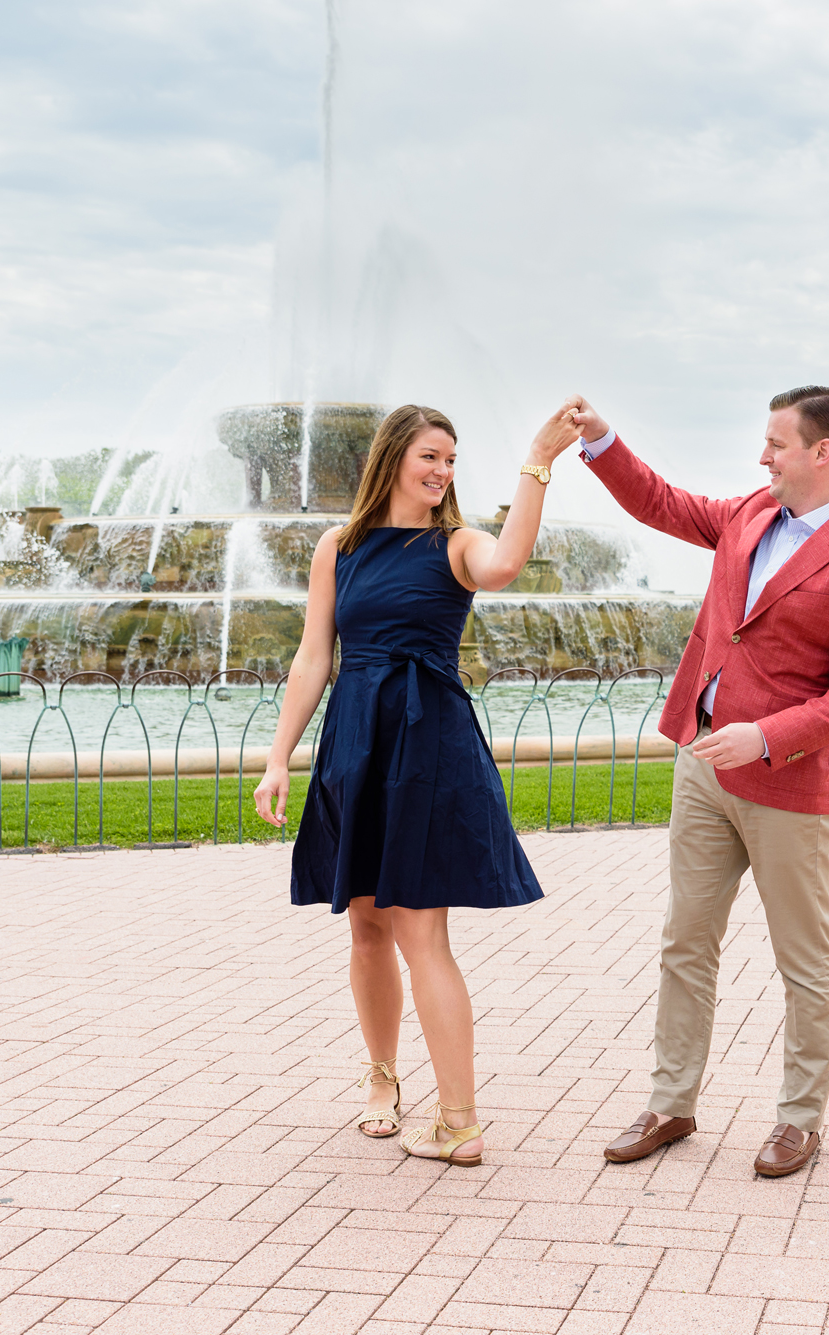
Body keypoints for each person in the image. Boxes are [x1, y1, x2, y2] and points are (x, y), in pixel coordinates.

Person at [568, 387, 829, 1178]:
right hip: (702, 767)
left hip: (786, 784)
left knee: (804, 961)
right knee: (685, 940)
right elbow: (662, 503)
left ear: (823, 452)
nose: (763, 456)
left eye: (777, 444)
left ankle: (799, 1120)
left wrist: (765, 735)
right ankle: (670, 1101)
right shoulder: (751, 513)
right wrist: (602, 439)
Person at [254, 401, 582, 1167]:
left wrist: (537, 460)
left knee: (419, 930)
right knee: (366, 925)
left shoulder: (458, 543)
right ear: (393, 458)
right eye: (430, 456)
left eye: (452, 461)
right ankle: (382, 1080)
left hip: (425, 740)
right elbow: (313, 659)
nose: (441, 472)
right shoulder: (340, 547)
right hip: (355, 742)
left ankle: (460, 1119)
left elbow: (506, 565)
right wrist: (279, 756)